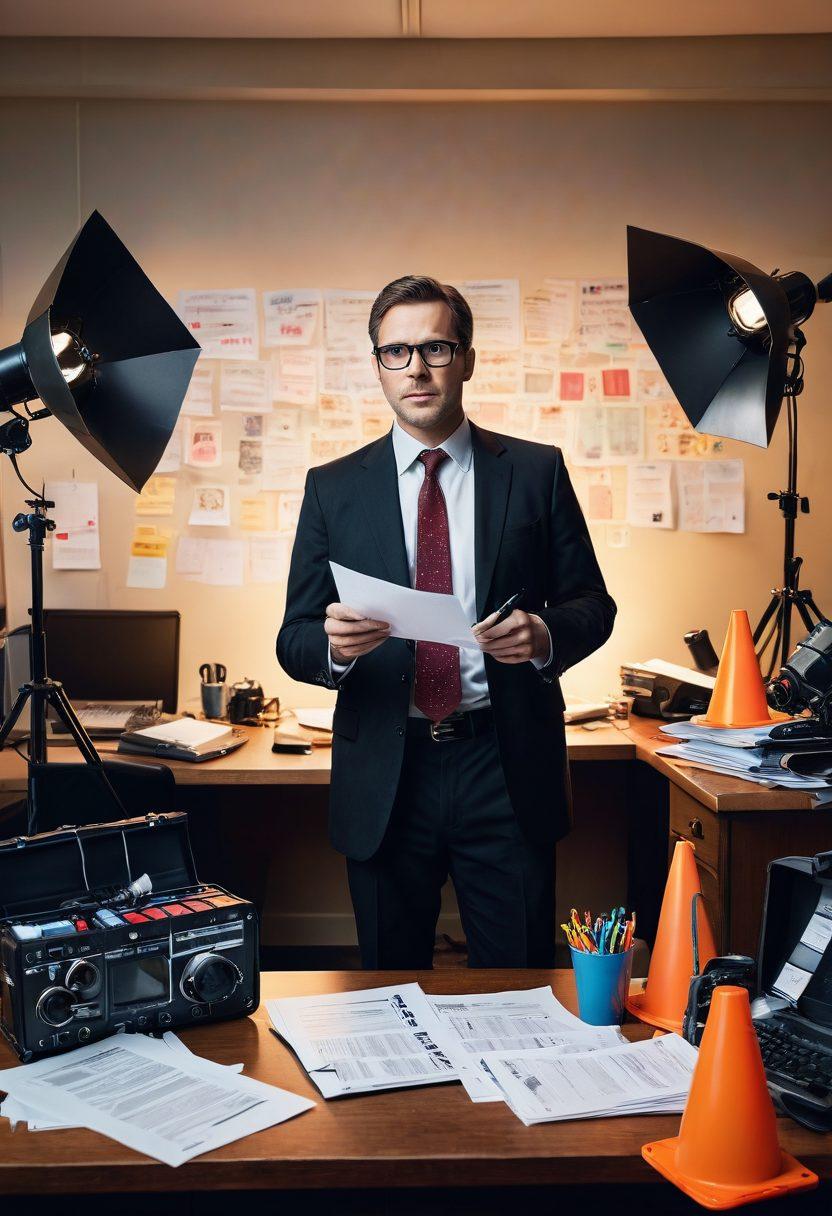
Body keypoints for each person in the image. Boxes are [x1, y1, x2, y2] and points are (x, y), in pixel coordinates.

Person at [277, 275, 616, 968]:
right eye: (395, 352)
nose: (417, 369)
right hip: (386, 769)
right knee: (387, 992)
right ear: (377, 365)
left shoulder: (534, 471)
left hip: (504, 761)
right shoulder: (332, 487)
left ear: (466, 357)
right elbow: (295, 638)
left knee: (519, 986)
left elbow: (593, 605)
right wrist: (335, 650)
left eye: (435, 347)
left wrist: (544, 635)